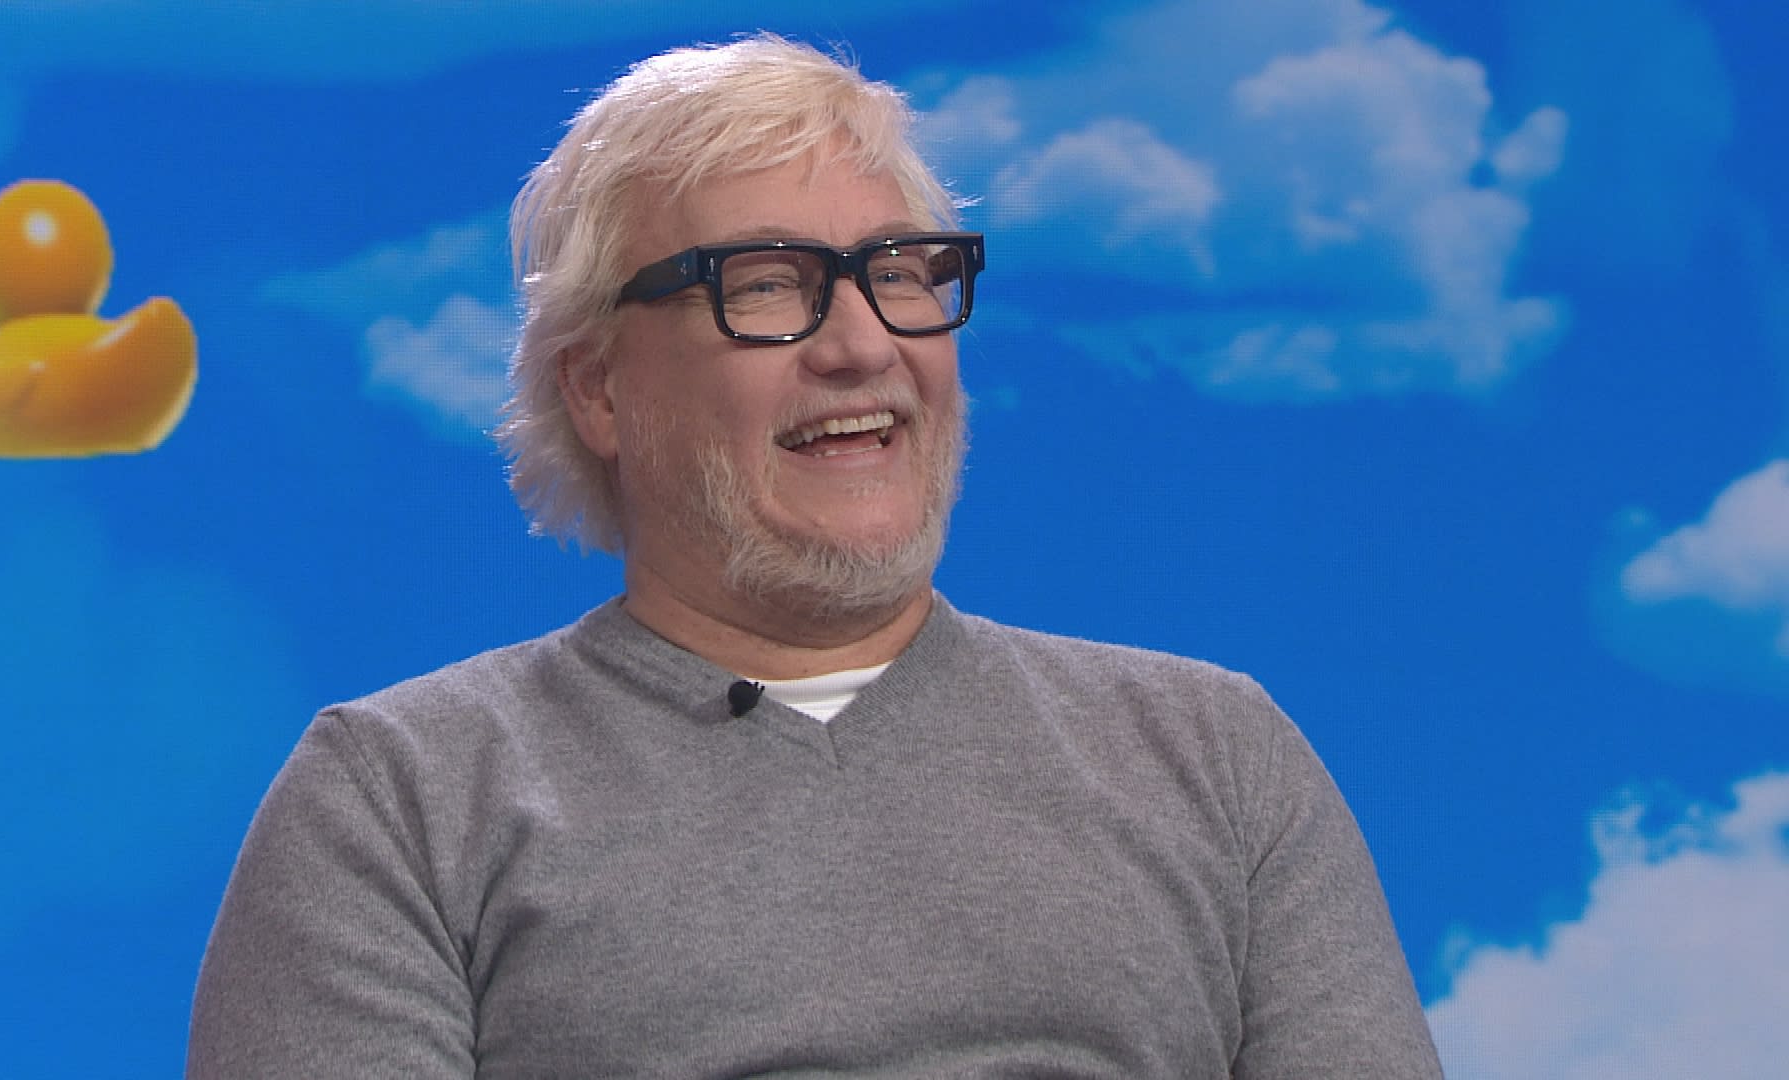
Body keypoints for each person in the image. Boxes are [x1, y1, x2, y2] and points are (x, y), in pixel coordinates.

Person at [187, 34, 1444, 1079]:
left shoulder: (1217, 758)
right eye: (768, 284)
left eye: (900, 273)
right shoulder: (399, 801)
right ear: (600, 389)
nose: (862, 346)